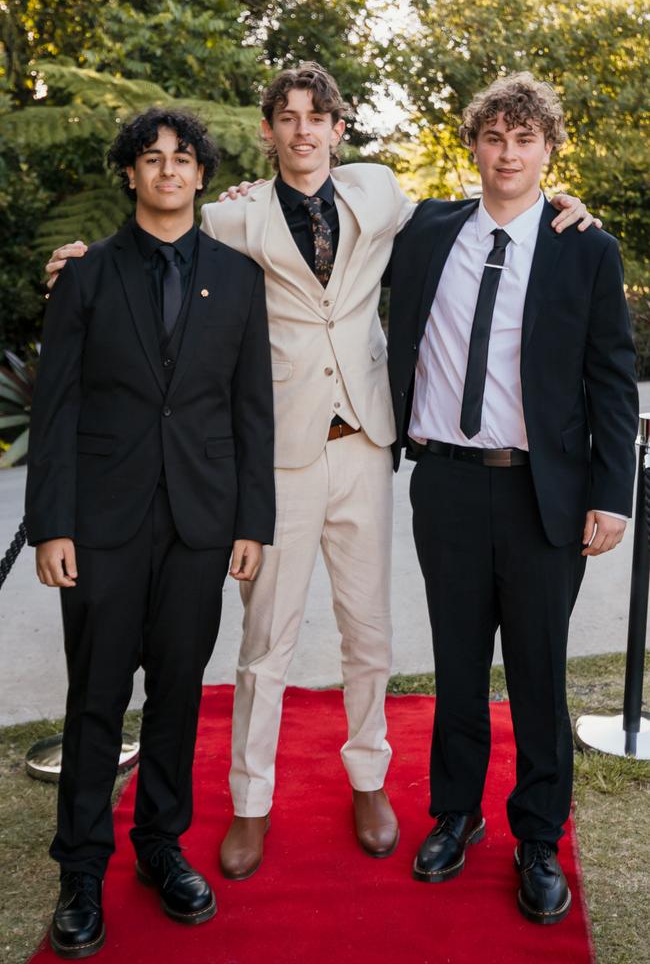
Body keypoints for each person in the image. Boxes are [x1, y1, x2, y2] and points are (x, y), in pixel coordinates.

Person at [45, 62, 596, 883]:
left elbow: (479, 214)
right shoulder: (234, 219)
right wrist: (80, 262)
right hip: (278, 455)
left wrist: (561, 206)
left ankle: (370, 780)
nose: (303, 130)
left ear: (340, 130)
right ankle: (251, 801)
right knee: (267, 637)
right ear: (267, 132)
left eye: (318, 116)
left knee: (368, 631)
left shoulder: (380, 194)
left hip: (368, 443)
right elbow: (160, 242)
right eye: (287, 117)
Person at [386, 72, 638, 923]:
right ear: (475, 146)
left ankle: (538, 835)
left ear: (547, 150)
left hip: (542, 491)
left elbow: (611, 379)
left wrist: (613, 495)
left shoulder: (586, 248)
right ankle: (455, 816)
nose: (507, 154)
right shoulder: (427, 230)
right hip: (446, 483)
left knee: (537, 670)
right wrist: (238, 196)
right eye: (494, 137)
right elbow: (324, 224)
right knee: (457, 663)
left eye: (524, 140)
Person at [26, 107, 275, 958]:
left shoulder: (240, 280)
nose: (168, 170)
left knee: (176, 692)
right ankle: (81, 868)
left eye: (182, 158)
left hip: (202, 523)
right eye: (151, 158)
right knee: (95, 696)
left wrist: (253, 520)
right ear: (129, 174)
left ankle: (161, 848)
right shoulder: (86, 277)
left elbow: (252, 412)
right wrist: (50, 525)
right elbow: (53, 411)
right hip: (100, 522)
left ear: (203, 175)